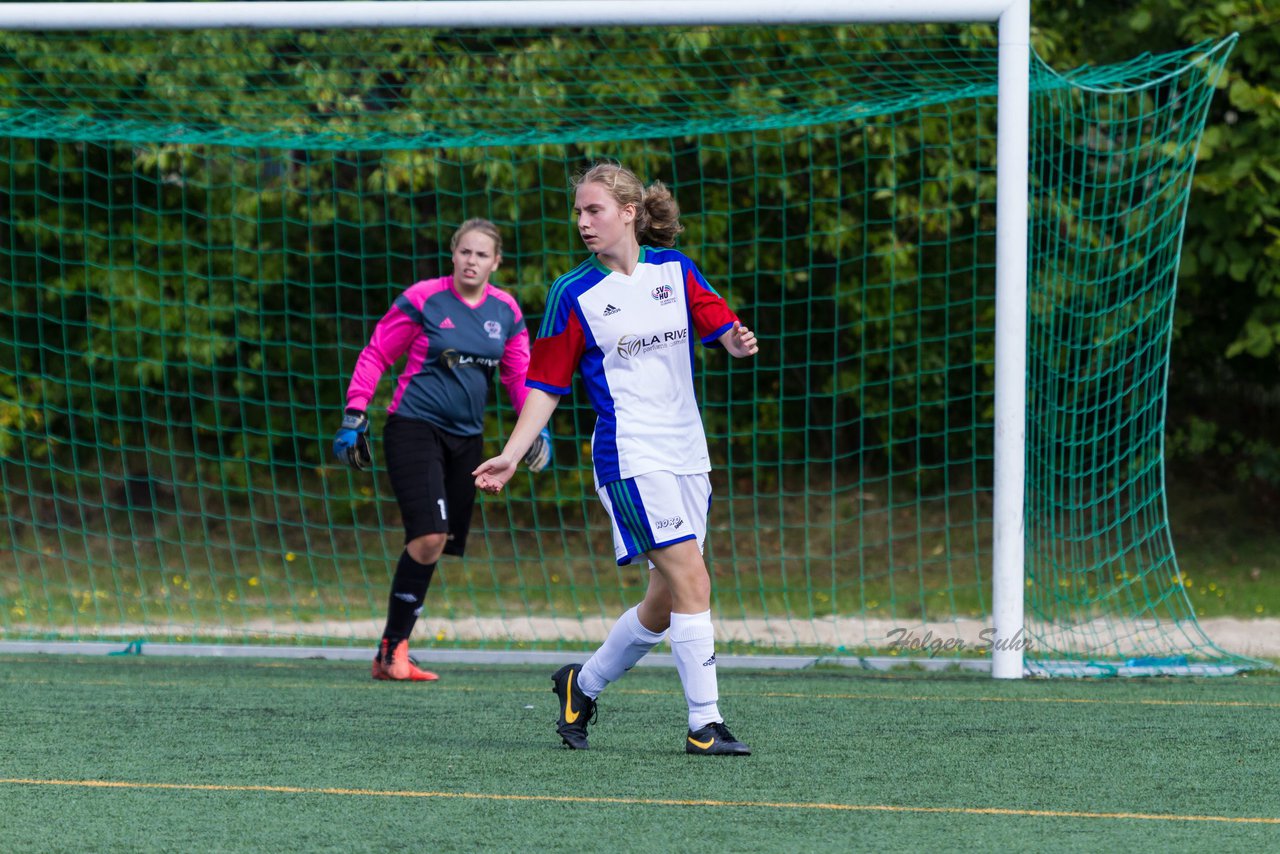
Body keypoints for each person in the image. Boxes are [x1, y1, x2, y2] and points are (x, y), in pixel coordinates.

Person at [473, 163, 758, 755]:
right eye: (578, 211)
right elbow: (546, 384)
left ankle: (583, 683)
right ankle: (705, 725)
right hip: (629, 457)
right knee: (693, 579)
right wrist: (510, 452)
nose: (582, 221)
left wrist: (733, 338)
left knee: (665, 599)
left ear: (629, 212)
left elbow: (718, 322)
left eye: (593, 209)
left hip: (687, 452)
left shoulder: (674, 271)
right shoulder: (571, 292)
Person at [333, 218, 552, 682]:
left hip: (465, 440)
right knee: (429, 535)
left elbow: (519, 377)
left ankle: (390, 651)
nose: (472, 261)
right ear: (453, 256)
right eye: (464, 252)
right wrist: (355, 413)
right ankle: (394, 651)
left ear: (496, 262)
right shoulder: (423, 299)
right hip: (413, 427)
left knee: (434, 545)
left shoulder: (507, 312)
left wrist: (536, 433)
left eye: (481, 254)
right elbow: (376, 353)